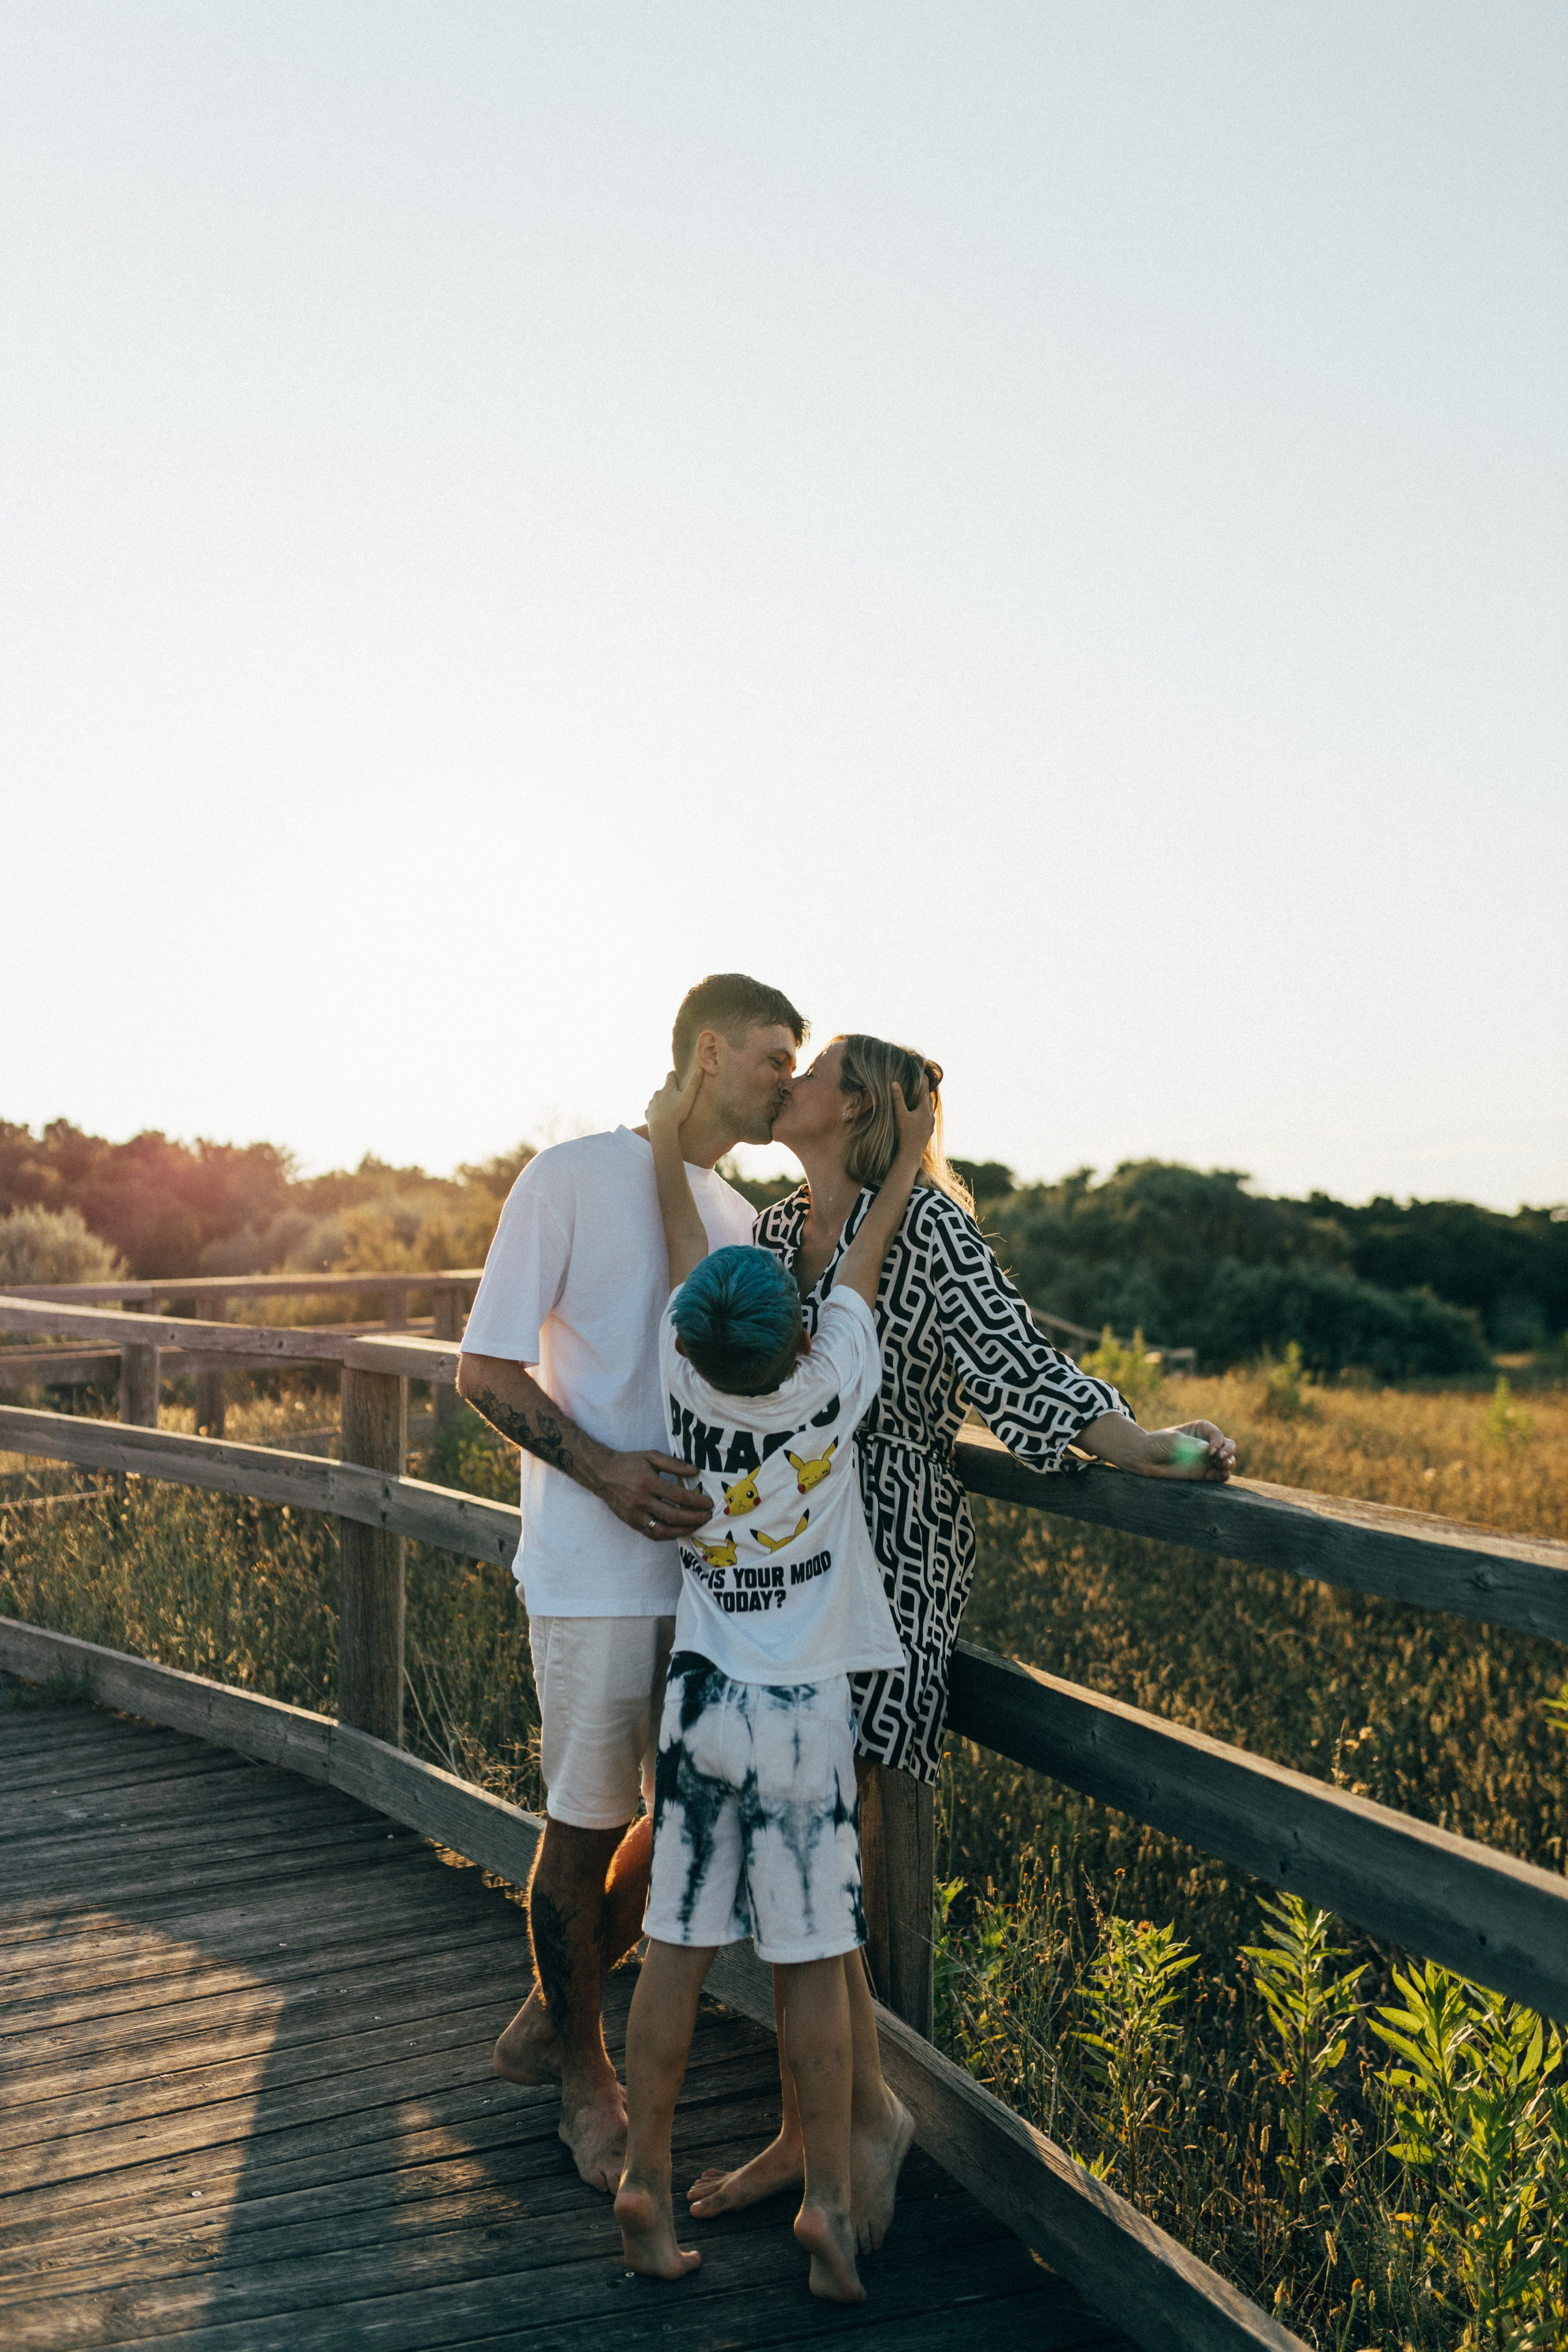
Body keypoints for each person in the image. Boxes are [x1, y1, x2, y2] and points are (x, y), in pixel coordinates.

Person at [688, 1033, 1237, 2235]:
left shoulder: (930, 1233)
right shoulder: (777, 1233)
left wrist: (1143, 1447)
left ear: (864, 1108)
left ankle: (865, 2123)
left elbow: (1017, 1365)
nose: (792, 1081)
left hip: (891, 1559)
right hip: (786, 1558)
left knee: (827, 1843)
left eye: (818, 1067)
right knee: (791, 1846)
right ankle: (811, 2129)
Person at [454, 973, 806, 2190]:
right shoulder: (568, 1177)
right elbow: (483, 1371)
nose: (787, 1080)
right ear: (708, 1052)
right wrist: (602, 1472)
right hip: (593, 1571)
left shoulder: (741, 1214)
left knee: (692, 1819)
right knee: (587, 1818)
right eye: (772, 1057)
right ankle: (582, 2081)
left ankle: (554, 2013)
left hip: (714, 1583)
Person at [614, 1061, 934, 2304]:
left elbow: (692, 1242)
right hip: (802, 1721)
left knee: (675, 1950)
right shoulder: (826, 1387)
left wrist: (660, 1144)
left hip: (699, 1710)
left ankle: (644, 2178)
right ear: (795, 1333)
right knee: (811, 1962)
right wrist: (903, 1154)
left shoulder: (685, 1375)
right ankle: (828, 2205)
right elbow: (861, 1253)